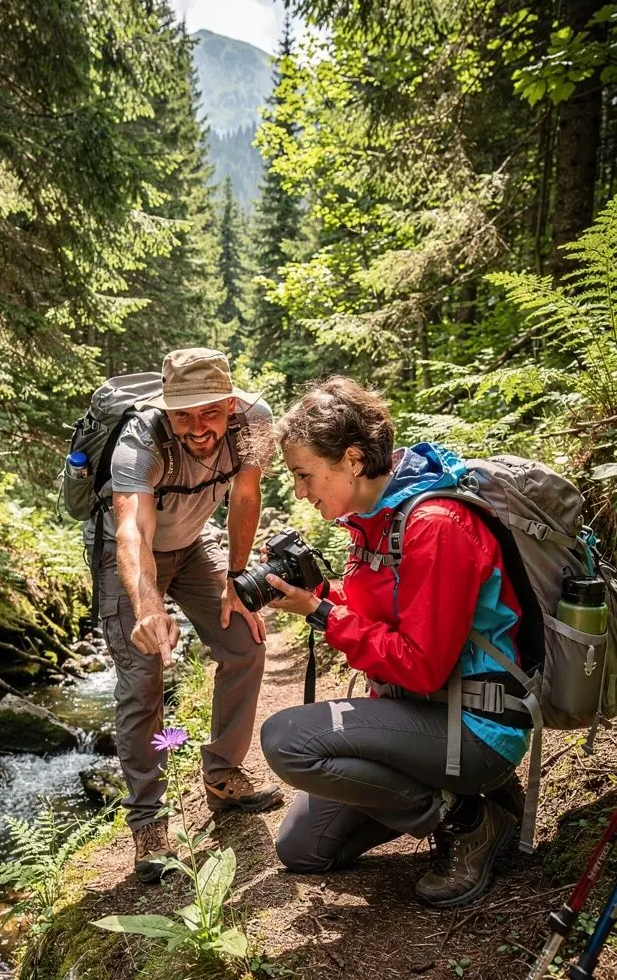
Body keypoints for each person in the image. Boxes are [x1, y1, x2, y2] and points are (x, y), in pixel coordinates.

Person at [259, 377, 528, 909]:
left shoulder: (435, 525)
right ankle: (463, 800)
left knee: (287, 740)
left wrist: (323, 614)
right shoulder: (375, 520)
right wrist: (318, 594)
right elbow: (385, 615)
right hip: (422, 713)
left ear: (353, 460)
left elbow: (423, 666)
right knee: (302, 849)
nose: (300, 492)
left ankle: (472, 820)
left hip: (475, 724)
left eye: (304, 475)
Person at [87, 347, 281, 883]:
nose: (199, 428)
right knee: (143, 676)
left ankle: (223, 777)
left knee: (245, 639)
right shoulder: (139, 439)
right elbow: (132, 532)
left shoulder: (255, 420)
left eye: (210, 413)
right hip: (127, 558)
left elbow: (246, 496)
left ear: (231, 401)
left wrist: (236, 584)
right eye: (184, 415)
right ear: (166, 409)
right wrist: (149, 608)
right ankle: (149, 822)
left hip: (197, 544)